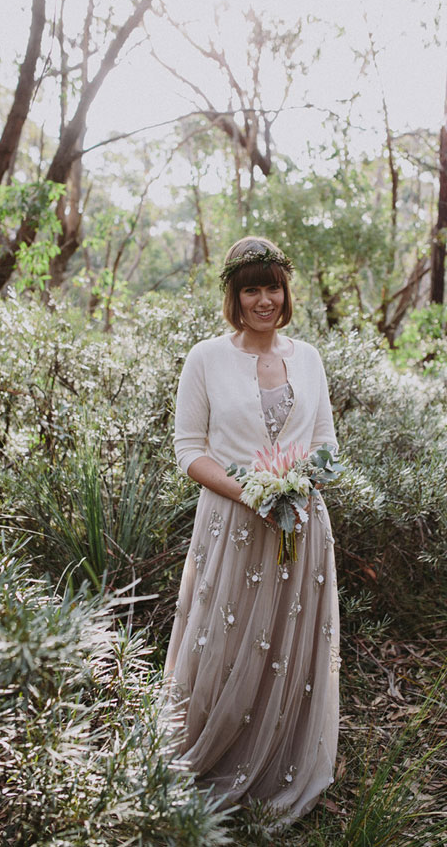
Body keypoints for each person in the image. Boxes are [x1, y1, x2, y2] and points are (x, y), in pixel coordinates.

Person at [166, 235, 340, 825]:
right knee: (225, 643)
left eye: (273, 288)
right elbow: (188, 448)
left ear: (286, 292)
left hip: (301, 522)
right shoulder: (206, 358)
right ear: (234, 298)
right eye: (251, 290)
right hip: (232, 524)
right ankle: (212, 759)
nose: (264, 300)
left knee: (288, 649)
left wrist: (295, 486)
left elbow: (325, 444)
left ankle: (279, 767)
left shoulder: (309, 357)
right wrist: (252, 492)